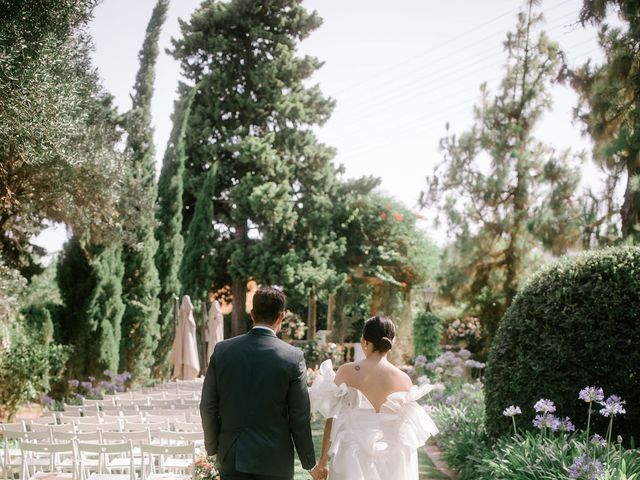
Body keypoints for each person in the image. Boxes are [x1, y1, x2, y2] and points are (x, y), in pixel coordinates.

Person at [200, 286, 326, 480]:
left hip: (232, 456)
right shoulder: (292, 357)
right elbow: (299, 416)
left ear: (252, 314)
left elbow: (208, 406)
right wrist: (309, 463)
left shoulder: (223, 351)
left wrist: (213, 448)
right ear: (281, 317)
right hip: (275, 460)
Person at [309, 316, 439, 480]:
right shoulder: (403, 379)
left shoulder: (347, 371)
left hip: (352, 454)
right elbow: (407, 429)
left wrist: (322, 462)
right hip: (394, 458)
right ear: (391, 342)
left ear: (364, 341)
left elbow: (331, 418)